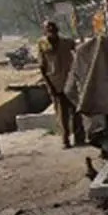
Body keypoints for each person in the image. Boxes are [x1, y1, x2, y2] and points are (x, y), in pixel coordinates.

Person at [36, 20, 83, 149]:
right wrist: (49, 85)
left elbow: (80, 50)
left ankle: (79, 137)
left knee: (76, 111)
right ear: (44, 31)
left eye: (53, 28)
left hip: (70, 80)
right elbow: (42, 67)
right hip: (55, 82)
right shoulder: (42, 44)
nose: (51, 30)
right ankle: (65, 139)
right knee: (62, 114)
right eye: (48, 28)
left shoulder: (66, 42)